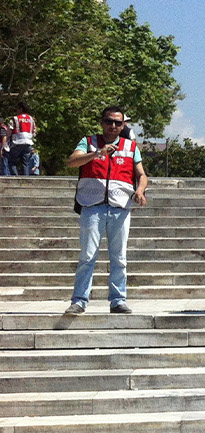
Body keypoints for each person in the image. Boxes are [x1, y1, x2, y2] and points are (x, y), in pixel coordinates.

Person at [64, 106, 148, 315]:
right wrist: (96, 154)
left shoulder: (131, 146)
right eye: (109, 122)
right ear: (102, 122)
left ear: (123, 125)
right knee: (87, 256)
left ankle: (118, 300)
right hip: (92, 205)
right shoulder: (89, 141)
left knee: (119, 258)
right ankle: (79, 300)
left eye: (117, 123)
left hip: (120, 207)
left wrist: (140, 189)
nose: (113, 126)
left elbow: (141, 174)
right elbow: (72, 162)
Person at [6, 102, 37, 175]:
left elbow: (9, 131)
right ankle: (25, 180)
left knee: (12, 161)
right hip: (28, 143)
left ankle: (15, 178)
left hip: (17, 142)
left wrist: (7, 140)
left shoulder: (15, 119)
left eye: (18, 109)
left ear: (21, 109)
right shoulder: (31, 119)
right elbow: (34, 132)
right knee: (25, 163)